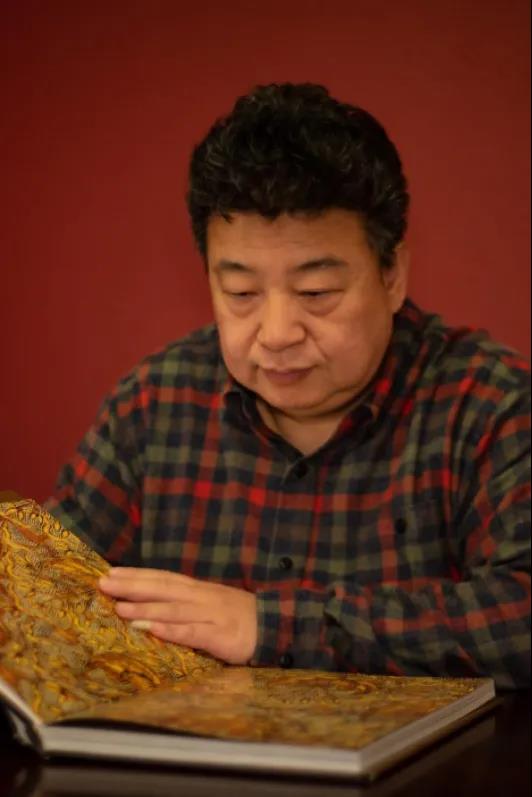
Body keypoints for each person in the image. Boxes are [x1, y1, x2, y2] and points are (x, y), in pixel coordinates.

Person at [45, 83, 531, 688]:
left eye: (315, 292)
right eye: (241, 293)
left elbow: (521, 614)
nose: (276, 334)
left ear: (392, 274)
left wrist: (270, 626)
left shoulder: (489, 405)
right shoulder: (153, 406)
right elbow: (49, 590)